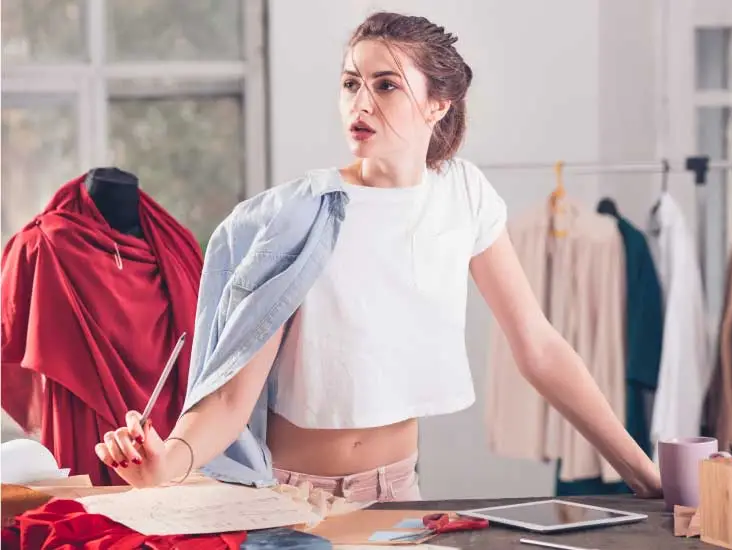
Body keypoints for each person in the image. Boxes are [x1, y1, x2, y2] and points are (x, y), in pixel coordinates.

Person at [94, 12, 663, 502]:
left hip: (400, 490)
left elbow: (538, 346)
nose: (360, 104)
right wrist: (166, 462)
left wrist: (643, 473)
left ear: (438, 104)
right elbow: (229, 399)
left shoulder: (463, 195)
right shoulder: (298, 216)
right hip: (295, 498)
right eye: (350, 84)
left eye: (385, 85)